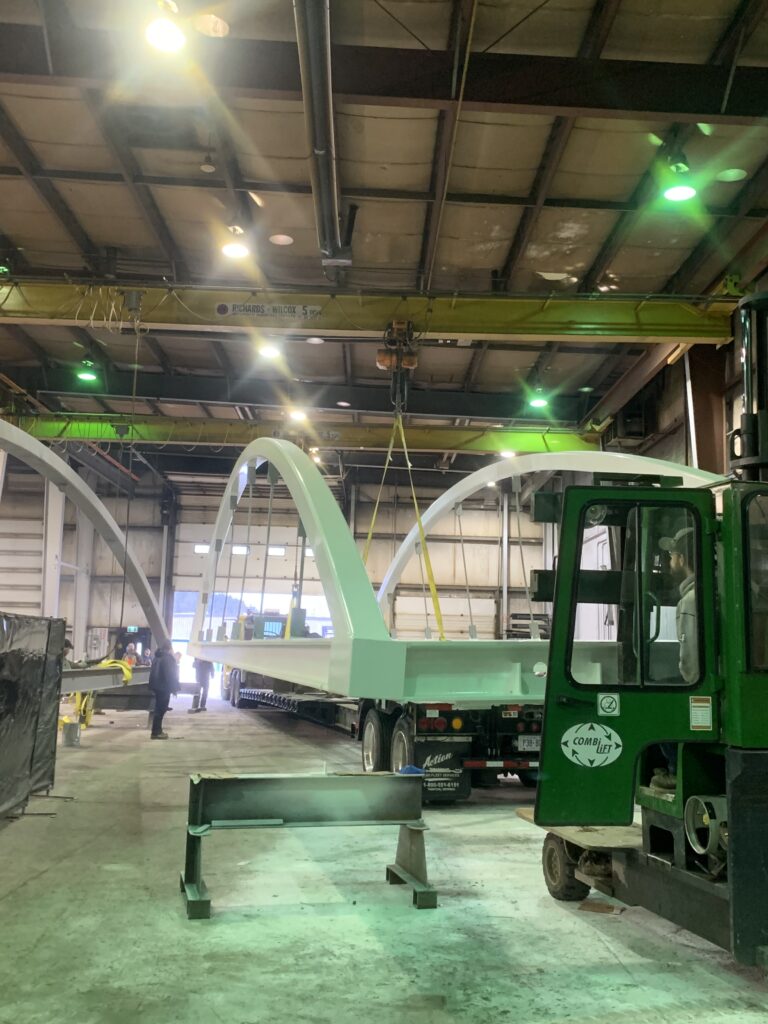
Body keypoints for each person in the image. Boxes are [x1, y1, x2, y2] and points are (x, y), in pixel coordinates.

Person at [651, 526, 698, 791]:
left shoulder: (691, 601)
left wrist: (692, 690)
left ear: (680, 558)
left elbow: (691, 658)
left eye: (671, 556)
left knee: (658, 695)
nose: (670, 562)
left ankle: (674, 771)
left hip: (700, 683)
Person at [148, 641, 178, 739]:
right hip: (164, 687)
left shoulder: (157, 657)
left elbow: (152, 673)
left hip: (157, 687)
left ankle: (157, 731)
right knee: (161, 710)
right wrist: (174, 688)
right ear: (169, 648)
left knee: (158, 709)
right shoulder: (167, 658)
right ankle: (156, 732)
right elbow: (170, 674)